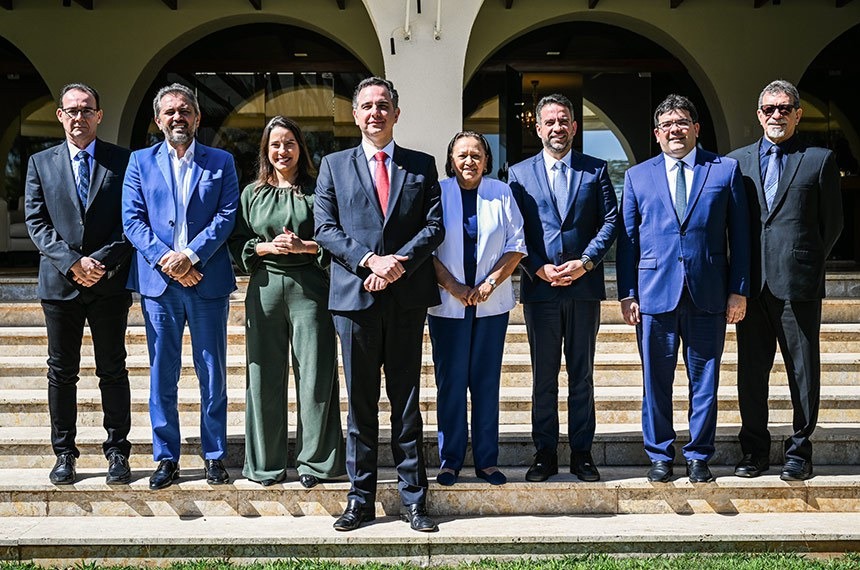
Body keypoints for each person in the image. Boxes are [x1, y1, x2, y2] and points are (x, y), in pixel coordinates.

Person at [314, 76, 444, 532]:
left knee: (407, 402)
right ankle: (361, 499)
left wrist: (397, 265)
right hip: (354, 300)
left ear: (396, 113)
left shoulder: (421, 165)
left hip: (405, 299)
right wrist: (370, 260)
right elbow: (325, 228)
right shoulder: (332, 165)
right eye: (366, 106)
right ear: (355, 115)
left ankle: (414, 501)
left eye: (383, 105)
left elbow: (434, 227)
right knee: (361, 405)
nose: (375, 113)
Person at [616, 94, 750, 483]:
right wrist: (627, 293)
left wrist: (738, 290)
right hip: (655, 293)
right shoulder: (638, 176)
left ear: (696, 129)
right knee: (655, 381)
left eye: (682, 122)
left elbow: (738, 237)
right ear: (657, 134)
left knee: (705, 379)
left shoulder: (724, 171)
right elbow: (628, 241)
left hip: (708, 291)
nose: (675, 129)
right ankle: (659, 454)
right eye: (667, 125)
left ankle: (698, 456)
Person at [122, 83, 239, 490]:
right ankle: (166, 458)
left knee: (213, 372)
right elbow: (132, 220)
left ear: (197, 117)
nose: (178, 117)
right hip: (159, 285)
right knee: (162, 374)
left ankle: (214, 455)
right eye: (170, 112)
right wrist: (167, 260)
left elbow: (226, 217)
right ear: (158, 120)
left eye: (185, 110)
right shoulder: (139, 162)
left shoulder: (221, 161)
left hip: (205, 280)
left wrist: (190, 256)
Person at [728, 80, 843, 481]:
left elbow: (833, 225)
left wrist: (804, 260)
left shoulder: (819, 159)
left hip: (798, 284)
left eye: (784, 107)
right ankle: (754, 451)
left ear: (798, 114)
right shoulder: (736, 162)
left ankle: (799, 450)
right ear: (758, 115)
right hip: (751, 287)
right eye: (769, 108)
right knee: (751, 373)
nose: (776, 114)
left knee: (802, 371)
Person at [228, 116, 345, 488]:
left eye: (290, 143)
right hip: (263, 286)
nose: (283, 151)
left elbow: (333, 237)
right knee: (263, 376)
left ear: (301, 148)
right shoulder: (250, 194)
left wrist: (303, 246)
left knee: (315, 375)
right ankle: (266, 464)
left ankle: (316, 463)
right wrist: (264, 247)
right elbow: (236, 241)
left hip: (309, 286)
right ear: (266, 149)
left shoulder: (318, 189)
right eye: (275, 144)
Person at [24, 82, 133, 486]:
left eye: (87, 110)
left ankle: (118, 452)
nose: (79, 117)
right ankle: (64, 453)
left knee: (113, 369)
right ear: (60, 116)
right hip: (59, 284)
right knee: (61, 372)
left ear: (99, 116)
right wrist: (72, 263)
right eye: (71, 110)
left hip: (108, 284)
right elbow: (36, 222)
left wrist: (100, 262)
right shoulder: (40, 163)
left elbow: (131, 222)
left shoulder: (123, 162)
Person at [508, 93, 617, 483]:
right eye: (549, 122)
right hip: (541, 290)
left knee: (582, 374)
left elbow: (609, 223)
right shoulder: (518, 174)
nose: (557, 128)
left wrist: (585, 263)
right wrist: (537, 268)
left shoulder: (597, 170)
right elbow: (514, 228)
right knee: (544, 376)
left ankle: (583, 453)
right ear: (537, 128)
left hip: (583, 290)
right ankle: (545, 454)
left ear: (574, 126)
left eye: (564, 121)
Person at [428, 131, 527, 487]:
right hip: (448, 304)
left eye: (476, 155)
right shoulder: (437, 192)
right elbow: (427, 248)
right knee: (450, 384)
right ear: (451, 159)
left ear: (486, 160)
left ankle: (487, 461)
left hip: (491, 304)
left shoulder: (501, 193)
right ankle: (450, 460)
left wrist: (488, 284)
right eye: (462, 155)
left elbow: (516, 245)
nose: (469, 161)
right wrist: (453, 286)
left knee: (485, 384)